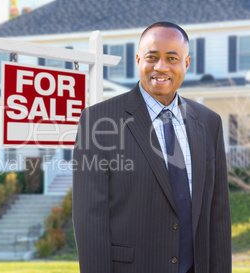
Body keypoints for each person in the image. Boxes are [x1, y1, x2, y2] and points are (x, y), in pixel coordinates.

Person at [72, 22, 232, 273]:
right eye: (152, 57)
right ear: (138, 59)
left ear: (186, 64)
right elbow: (89, 219)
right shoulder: (99, 121)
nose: (161, 67)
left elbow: (218, 213)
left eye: (172, 58)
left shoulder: (209, 122)